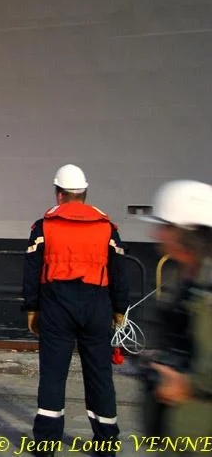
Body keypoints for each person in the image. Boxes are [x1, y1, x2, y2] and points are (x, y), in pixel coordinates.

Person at [22, 164, 127, 456]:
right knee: (100, 376)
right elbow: (118, 272)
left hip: (57, 306)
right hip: (97, 306)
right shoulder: (107, 227)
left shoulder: (43, 226)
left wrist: (32, 308)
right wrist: (119, 308)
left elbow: (32, 270)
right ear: (84, 193)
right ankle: (106, 443)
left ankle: (46, 444)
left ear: (59, 194)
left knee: (53, 376)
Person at [138, 180, 212, 443]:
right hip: (175, 432)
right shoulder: (179, 277)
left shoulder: (206, 286)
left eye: (166, 226)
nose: (156, 234)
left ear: (189, 232)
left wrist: (188, 385)